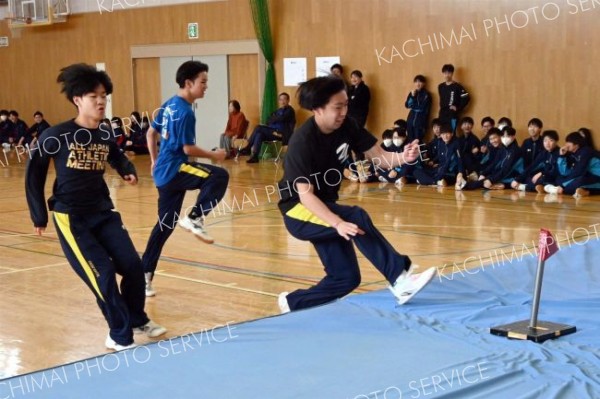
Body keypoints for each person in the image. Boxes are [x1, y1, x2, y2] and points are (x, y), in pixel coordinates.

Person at [24, 63, 166, 351]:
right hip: (71, 218)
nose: (101, 101)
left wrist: (126, 168)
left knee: (133, 267)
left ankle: (137, 318)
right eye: (93, 96)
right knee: (102, 275)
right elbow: (34, 172)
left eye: (103, 95)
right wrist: (39, 215)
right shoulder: (56, 135)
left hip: (103, 212)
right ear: (77, 100)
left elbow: (114, 153)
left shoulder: (103, 133)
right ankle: (119, 335)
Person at [276, 75, 435, 313]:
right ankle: (400, 280)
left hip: (326, 205)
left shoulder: (347, 125)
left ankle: (292, 303)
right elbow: (305, 195)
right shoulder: (302, 142)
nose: (343, 111)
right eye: (337, 107)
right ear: (317, 109)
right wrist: (338, 223)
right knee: (355, 217)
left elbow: (379, 156)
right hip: (299, 209)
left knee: (346, 278)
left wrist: (404, 157)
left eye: (346, 105)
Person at [141, 60, 229, 297]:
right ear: (188, 83)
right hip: (175, 170)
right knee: (219, 175)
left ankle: (144, 275)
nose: (206, 86)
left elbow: (151, 133)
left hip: (164, 173)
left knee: (164, 225)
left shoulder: (169, 104)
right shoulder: (185, 112)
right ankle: (195, 218)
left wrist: (153, 160)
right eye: (203, 82)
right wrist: (214, 155)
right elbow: (188, 149)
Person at [542, 130, 600, 197]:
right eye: (566, 142)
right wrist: (562, 156)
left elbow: (579, 171)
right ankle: (583, 191)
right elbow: (564, 172)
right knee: (559, 178)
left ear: (576, 143)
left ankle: (561, 189)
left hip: (597, 177)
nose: (566, 144)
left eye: (569, 142)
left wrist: (562, 185)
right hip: (588, 176)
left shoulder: (586, 151)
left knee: (579, 180)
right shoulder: (572, 154)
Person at [242, 92, 295, 163]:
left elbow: (281, 118)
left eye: (284, 99)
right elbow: (268, 120)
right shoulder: (277, 111)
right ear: (279, 101)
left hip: (281, 134)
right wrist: (275, 118)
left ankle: (248, 148)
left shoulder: (290, 110)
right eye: (281, 99)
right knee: (259, 134)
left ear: (288, 100)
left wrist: (274, 118)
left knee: (258, 127)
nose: (282, 101)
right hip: (272, 132)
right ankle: (255, 156)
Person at [437, 64, 469, 132]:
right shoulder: (440, 86)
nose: (447, 75)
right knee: (441, 133)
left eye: (449, 73)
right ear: (443, 73)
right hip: (442, 114)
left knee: (451, 133)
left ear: (452, 73)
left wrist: (458, 108)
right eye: (445, 73)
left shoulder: (457, 86)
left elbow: (466, 97)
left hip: (452, 114)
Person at [404, 75, 431, 142]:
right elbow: (407, 105)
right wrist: (412, 96)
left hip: (420, 123)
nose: (418, 84)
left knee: (418, 142)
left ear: (424, 83)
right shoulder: (412, 93)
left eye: (420, 82)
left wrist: (412, 106)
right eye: (416, 82)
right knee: (410, 141)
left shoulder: (426, 94)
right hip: (410, 121)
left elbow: (421, 108)